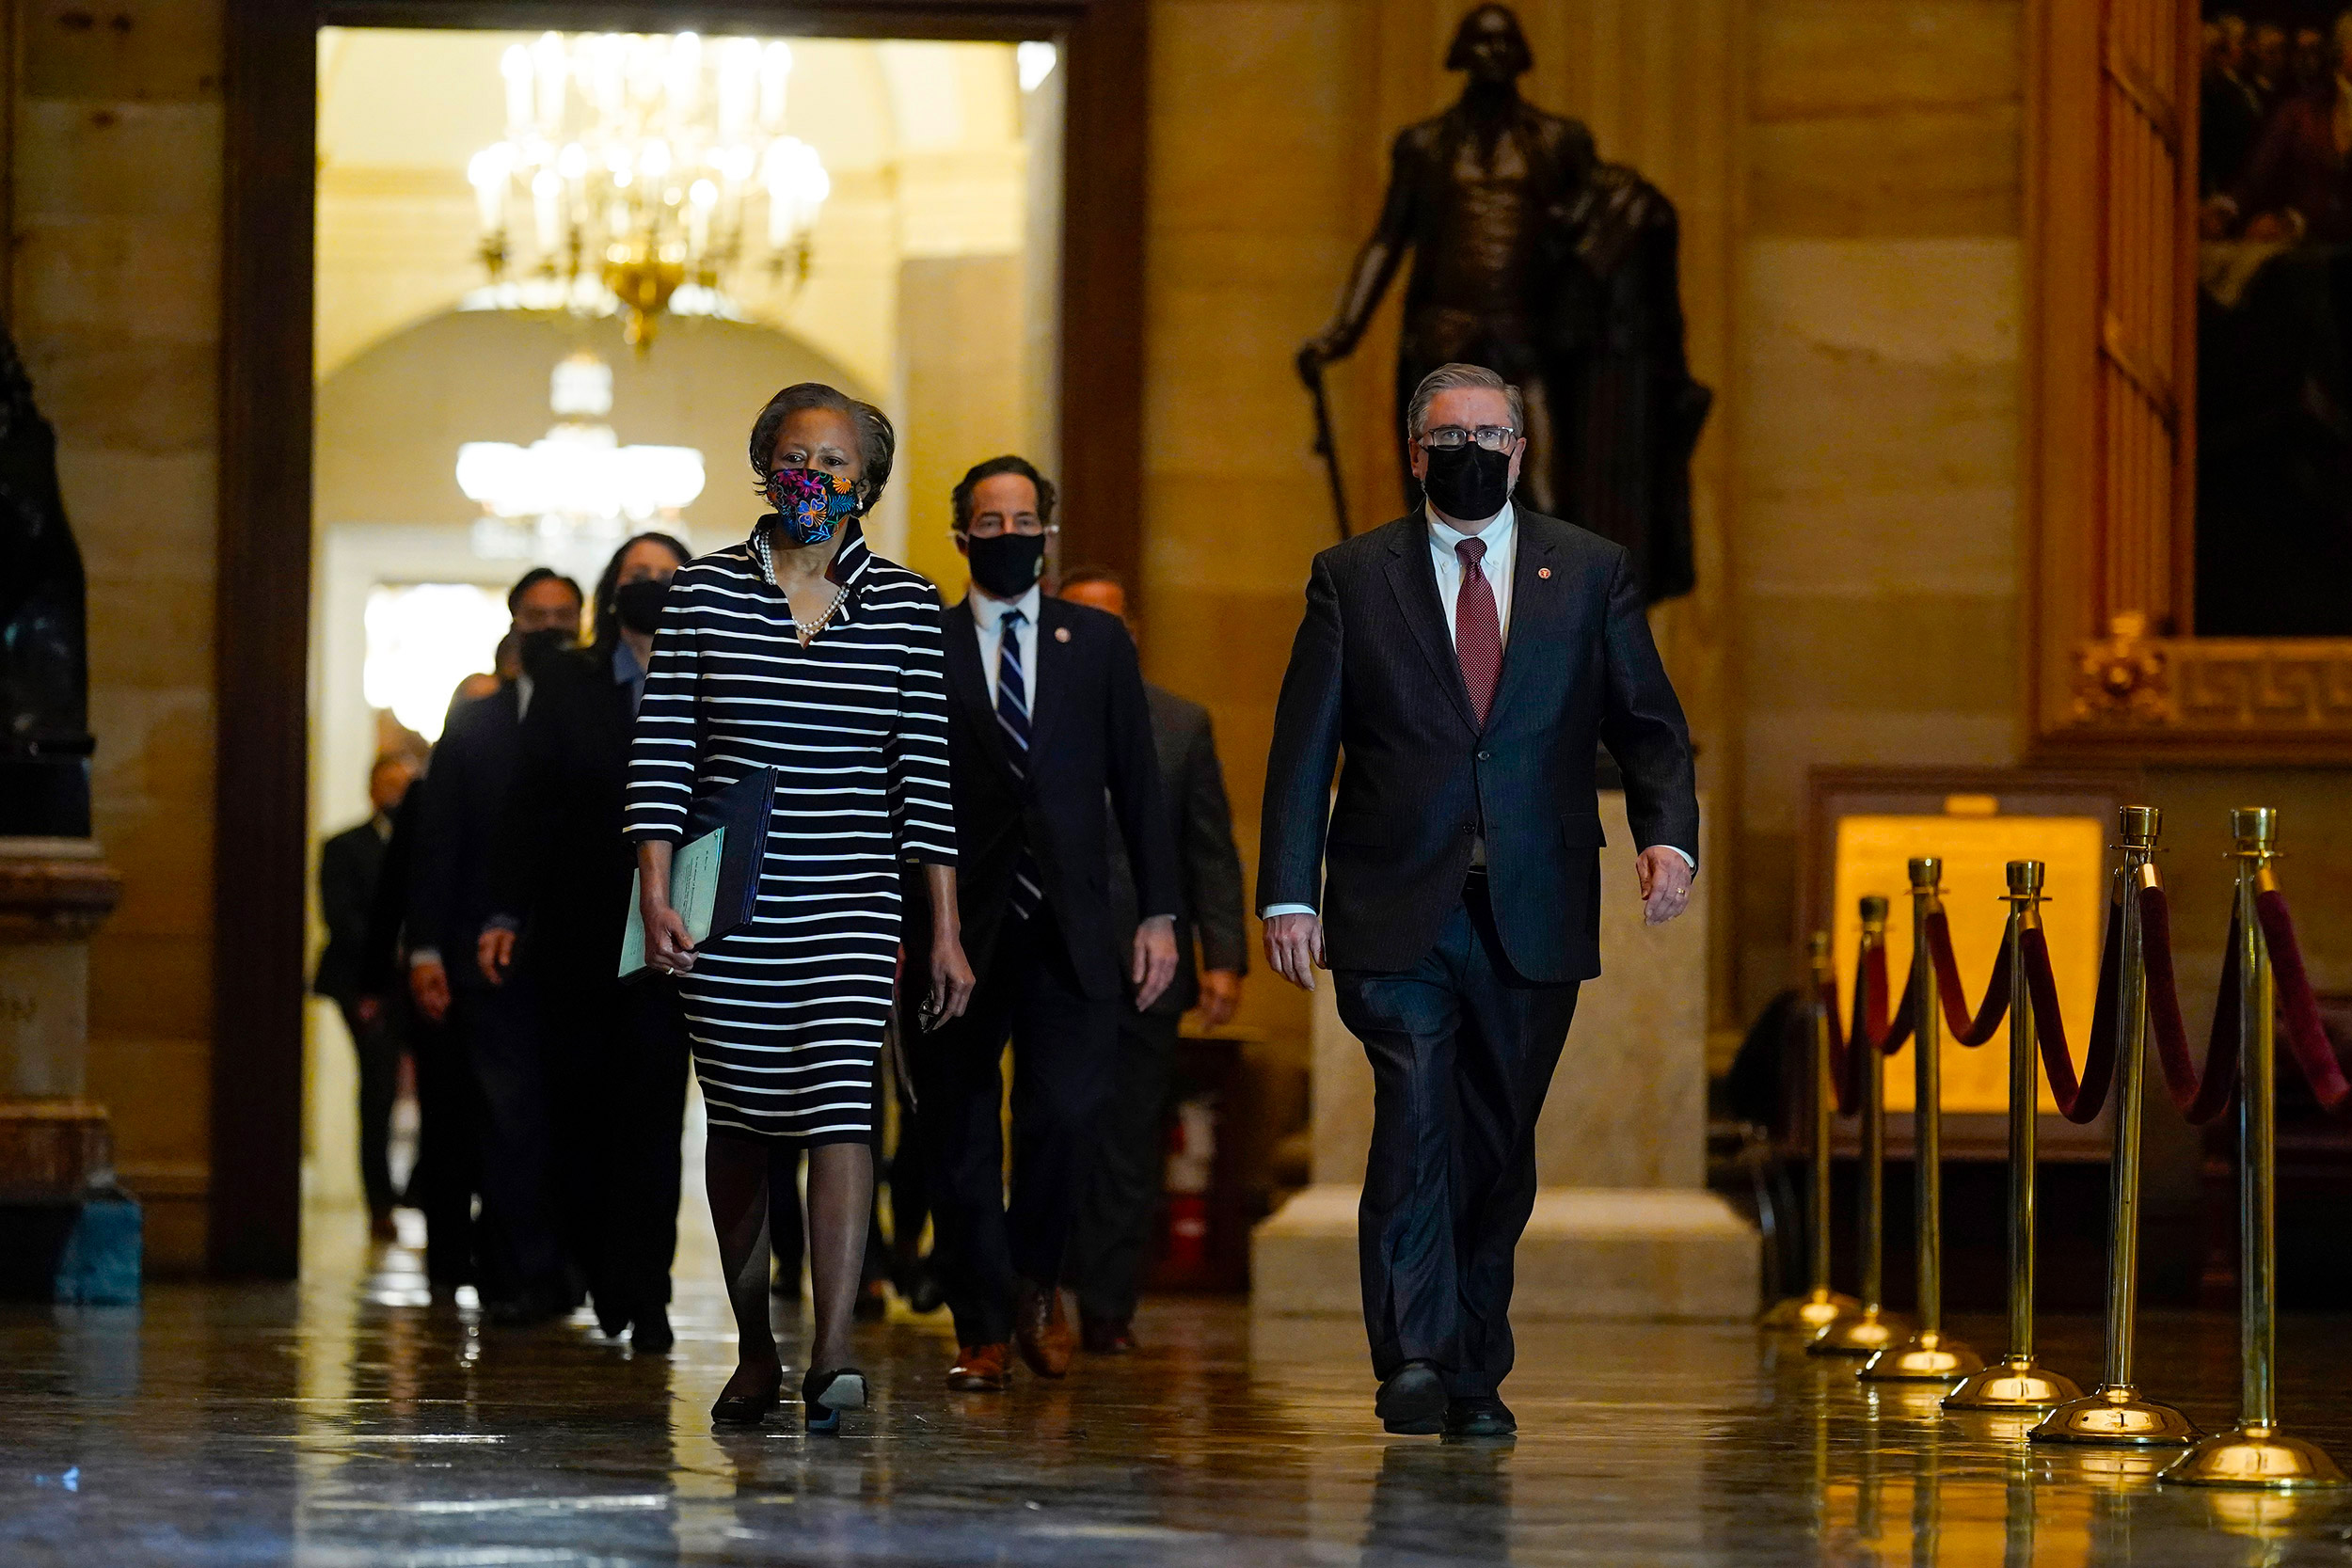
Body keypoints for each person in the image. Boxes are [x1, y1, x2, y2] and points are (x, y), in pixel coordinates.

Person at [1258, 362, 1698, 1440]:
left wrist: (1667, 836)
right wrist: (1284, 892)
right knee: (1412, 1109)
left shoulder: (1588, 571)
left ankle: (1471, 1363)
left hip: (1532, 899)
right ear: (1413, 452)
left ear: (1519, 448)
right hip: (1392, 902)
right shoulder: (1350, 576)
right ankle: (1412, 1354)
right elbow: (1303, 745)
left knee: (1498, 1140)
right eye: (1447, 433)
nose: (1471, 449)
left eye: (1490, 431)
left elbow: (1648, 720)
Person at [625, 383, 973, 1433]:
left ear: (865, 480)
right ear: (761, 464)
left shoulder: (908, 603)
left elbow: (925, 780)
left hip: (854, 900)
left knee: (838, 1107)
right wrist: (652, 891)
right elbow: (662, 753)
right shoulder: (703, 592)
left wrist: (944, 927)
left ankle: (831, 1348)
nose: (809, 474)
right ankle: (755, 1346)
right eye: (791, 454)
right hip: (726, 897)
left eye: (832, 460)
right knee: (737, 1117)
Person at [898, 456, 1179, 1395]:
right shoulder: (922, 644)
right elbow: (894, 794)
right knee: (960, 1131)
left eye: (1026, 519)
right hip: (954, 926)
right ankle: (977, 1325)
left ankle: (1037, 1279)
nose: (1010, 533)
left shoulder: (1094, 642)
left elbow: (1139, 785)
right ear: (962, 534)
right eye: (991, 518)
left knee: (1066, 1114)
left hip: (1072, 921)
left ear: (1047, 536)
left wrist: (1161, 913)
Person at [480, 532, 693, 1353]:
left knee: (651, 1116)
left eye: (668, 575)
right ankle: (592, 1268)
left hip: (672, 935)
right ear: (613, 589)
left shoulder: (707, 674)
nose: (652, 586)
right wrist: (504, 911)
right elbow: (528, 801)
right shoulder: (568, 678)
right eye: (637, 574)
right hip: (574, 932)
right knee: (578, 1114)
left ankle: (648, 1291)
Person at [1056, 566, 1248, 1354]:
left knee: (1131, 1136)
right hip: (1052, 961)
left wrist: (1225, 956)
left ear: (1131, 631)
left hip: (1152, 964)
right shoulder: (1022, 717)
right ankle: (1039, 1285)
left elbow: (1210, 849)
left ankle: (1108, 1302)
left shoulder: (1179, 723)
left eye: (1112, 621)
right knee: (1056, 1128)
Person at [408, 566, 583, 1325]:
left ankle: (573, 1267)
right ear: (514, 621)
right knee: (509, 1122)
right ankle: (520, 1271)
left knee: (577, 1119)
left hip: (582, 959)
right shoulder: (474, 725)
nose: (547, 627)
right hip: (489, 959)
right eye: (535, 614)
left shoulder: (608, 711)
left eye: (562, 615)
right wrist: (424, 950)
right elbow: (437, 841)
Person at [315, 752, 417, 1242]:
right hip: (362, 982)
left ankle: (419, 1187)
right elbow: (344, 920)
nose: (397, 792)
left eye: (406, 783)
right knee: (377, 1087)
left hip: (416, 981)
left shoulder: (427, 843)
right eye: (389, 783)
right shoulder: (343, 846)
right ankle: (379, 1201)